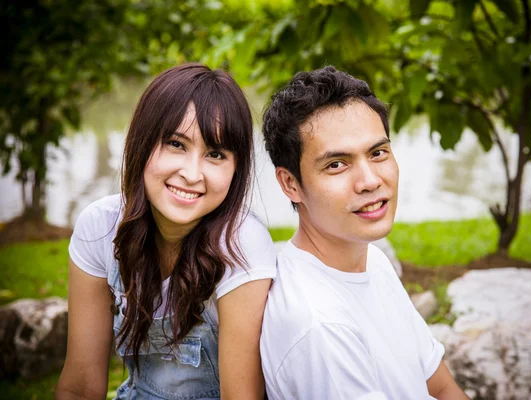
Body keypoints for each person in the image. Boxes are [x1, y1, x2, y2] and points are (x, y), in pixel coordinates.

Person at [56, 63, 277, 400]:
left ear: (237, 169)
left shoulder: (241, 244)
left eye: (215, 154)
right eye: (176, 144)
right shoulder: (99, 227)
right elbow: (80, 386)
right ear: (143, 141)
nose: (191, 173)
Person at [260, 66, 469, 400]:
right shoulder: (319, 326)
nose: (370, 181)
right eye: (337, 164)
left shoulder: (371, 260)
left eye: (378, 153)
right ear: (291, 184)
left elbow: (442, 387)